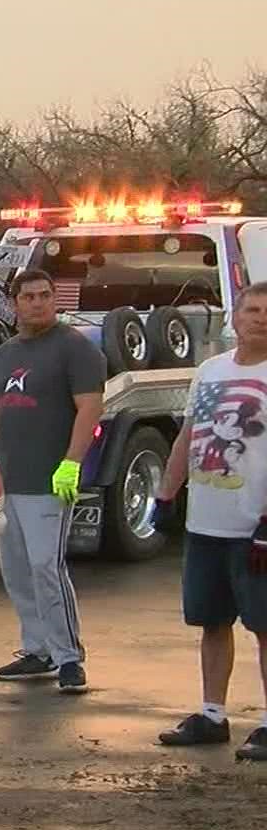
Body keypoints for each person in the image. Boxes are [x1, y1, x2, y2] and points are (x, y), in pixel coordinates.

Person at [155, 282, 267, 759]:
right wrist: (165, 493)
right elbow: (188, 435)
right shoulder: (209, 371)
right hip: (207, 524)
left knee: (265, 627)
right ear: (234, 318)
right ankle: (212, 715)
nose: (260, 318)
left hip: (256, 527)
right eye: (253, 309)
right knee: (212, 622)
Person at [0, 268, 106, 694]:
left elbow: (90, 408)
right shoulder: (5, 353)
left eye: (44, 295)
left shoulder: (74, 349)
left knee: (45, 567)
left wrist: (72, 462)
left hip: (49, 481)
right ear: (15, 303)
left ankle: (68, 656)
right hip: (8, 480)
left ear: (56, 299)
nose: (37, 303)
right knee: (16, 569)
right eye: (29, 297)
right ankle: (37, 649)